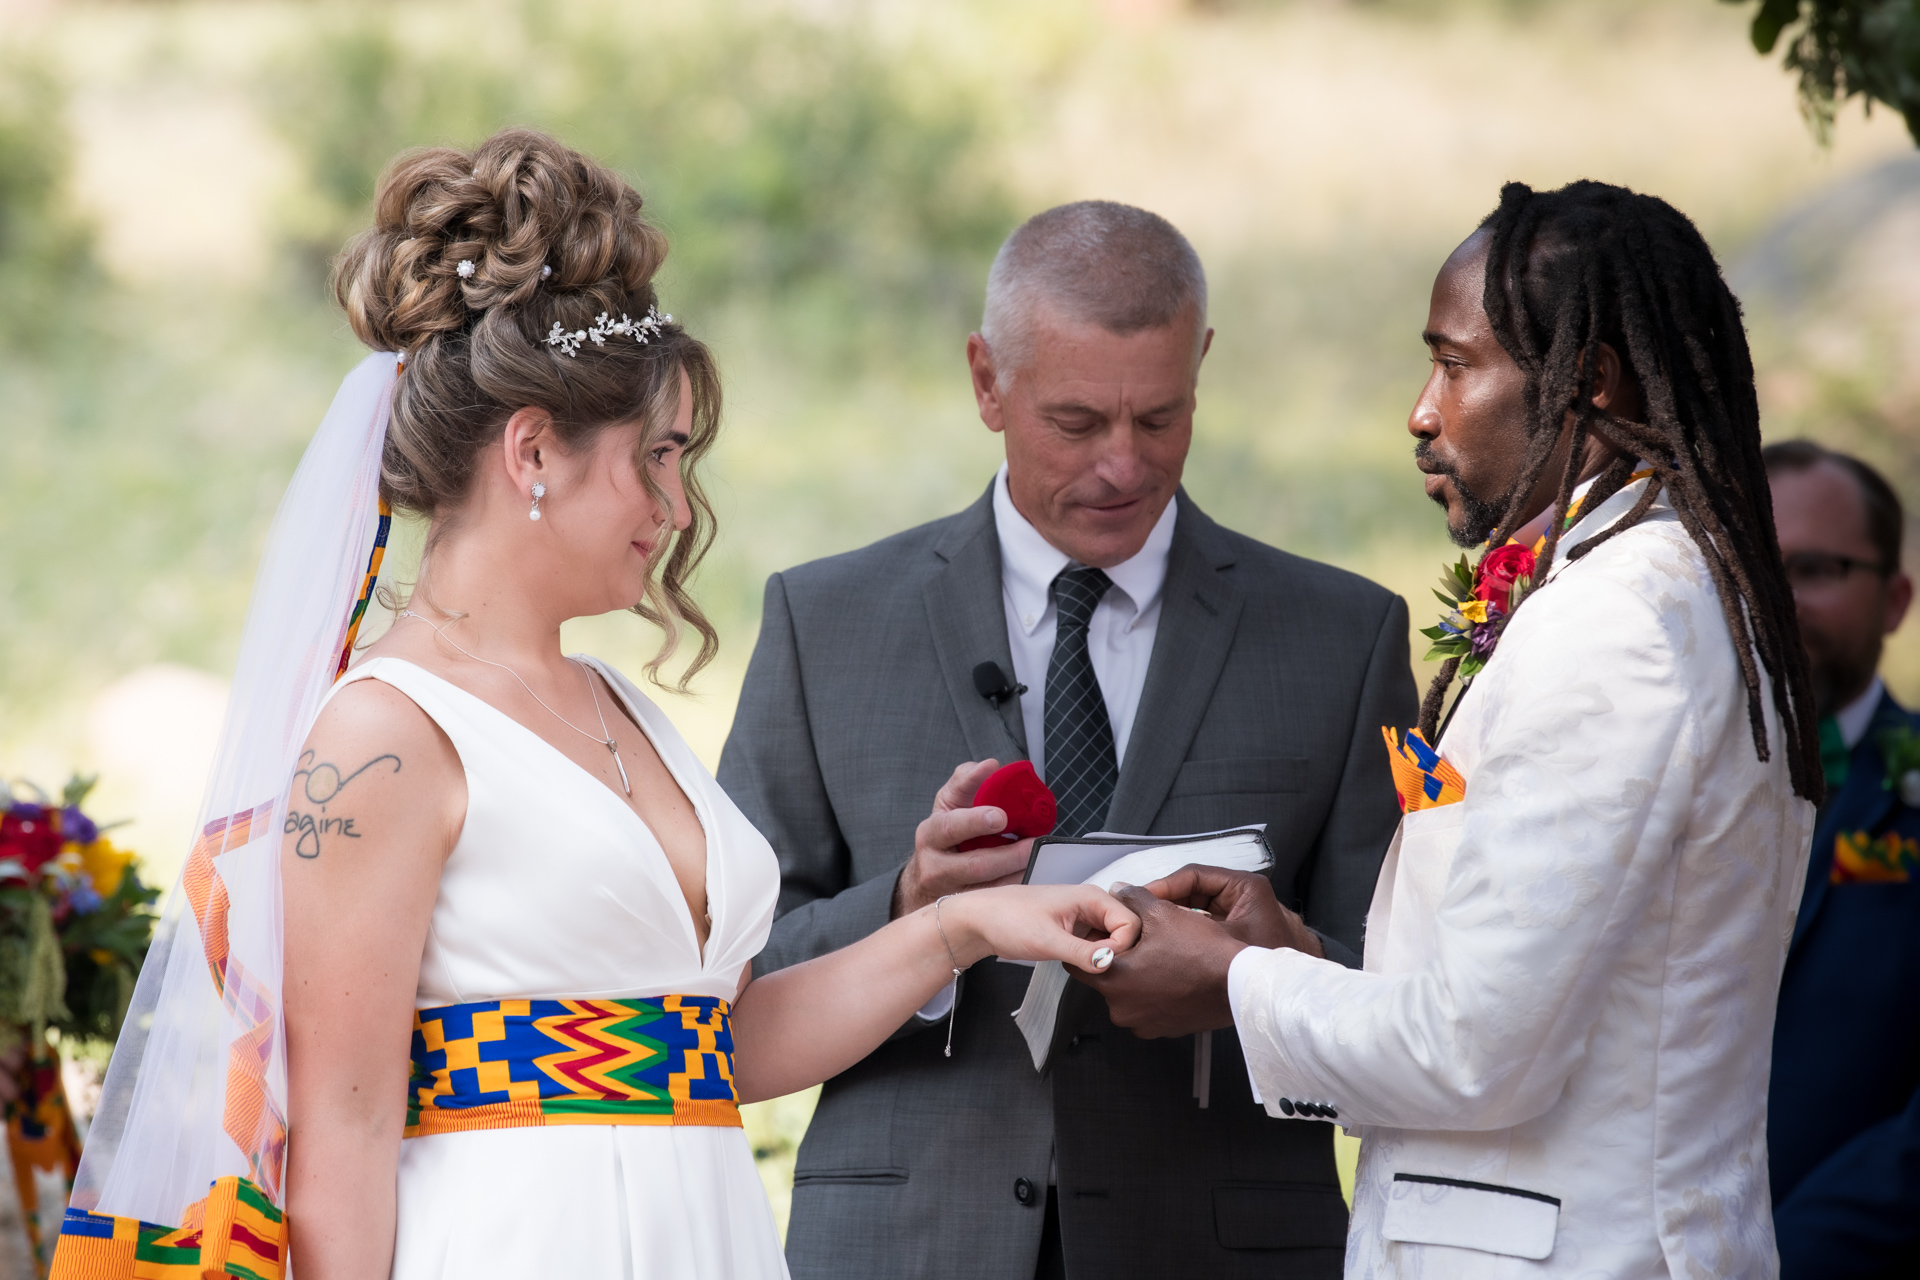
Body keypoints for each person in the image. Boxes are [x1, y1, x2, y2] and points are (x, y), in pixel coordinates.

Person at [48, 129, 1139, 1280]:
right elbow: (343, 1136)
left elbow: (719, 1045)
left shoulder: (620, 705)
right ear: (533, 452)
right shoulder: (386, 736)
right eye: (655, 456)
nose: (678, 508)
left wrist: (961, 928)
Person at [1085, 180, 1823, 1278]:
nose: (1422, 412)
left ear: (1590, 382)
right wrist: (1290, 956)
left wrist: (1231, 982)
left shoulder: (1616, 623)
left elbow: (1477, 1053)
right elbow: (1519, 986)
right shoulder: (1639, 585)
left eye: (1456, 364)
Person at [717, 201, 1416, 1279]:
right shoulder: (825, 622)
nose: (1124, 466)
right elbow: (728, 983)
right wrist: (909, 904)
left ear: (1202, 367)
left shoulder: (1343, 636)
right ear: (986, 382)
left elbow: (1409, 991)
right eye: (1078, 423)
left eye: (1161, 418)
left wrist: (1268, 963)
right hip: (907, 1247)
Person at [1763, 439, 1920, 1277]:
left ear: (1895, 601)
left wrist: (1791, 1255)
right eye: (1755, 564)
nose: (1778, 599)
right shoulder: (1639, 782)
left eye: (1816, 570)